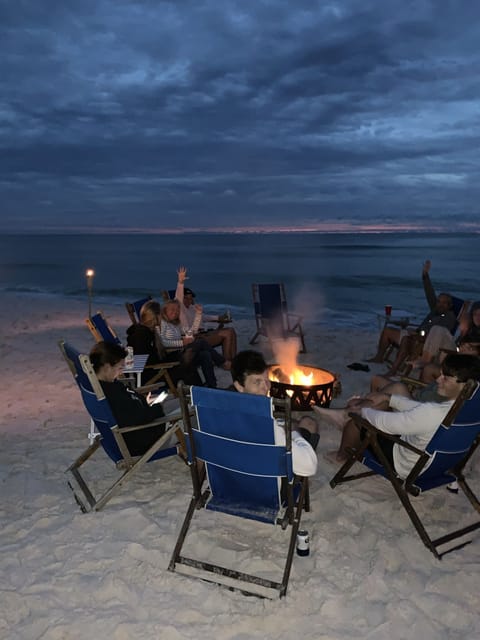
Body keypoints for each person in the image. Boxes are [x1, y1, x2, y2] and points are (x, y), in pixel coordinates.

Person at [314, 353, 480, 478]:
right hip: (439, 465)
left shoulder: (433, 412)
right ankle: (345, 415)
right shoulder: (468, 408)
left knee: (358, 422)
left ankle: (341, 455)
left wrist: (361, 412)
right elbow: (421, 410)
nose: (438, 380)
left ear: (465, 385)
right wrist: (389, 398)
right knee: (381, 403)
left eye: (446, 378)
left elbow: (388, 423)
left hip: (407, 464)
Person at [230, 350, 318, 477]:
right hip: (266, 486)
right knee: (309, 424)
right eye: (257, 382)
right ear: (239, 386)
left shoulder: (220, 415)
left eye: (267, 380)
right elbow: (310, 467)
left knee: (300, 422)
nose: (265, 387)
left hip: (232, 479)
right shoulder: (269, 427)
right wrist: (293, 433)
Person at [89, 341, 181, 457]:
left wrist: (142, 401)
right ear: (107, 366)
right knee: (195, 414)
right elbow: (138, 418)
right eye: (120, 367)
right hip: (147, 440)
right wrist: (156, 407)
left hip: (145, 423)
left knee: (183, 401)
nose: (122, 371)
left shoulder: (106, 385)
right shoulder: (111, 394)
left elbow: (131, 410)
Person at [368, 260, 457, 374]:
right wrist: (425, 275)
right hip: (415, 334)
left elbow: (437, 335)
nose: (439, 304)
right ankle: (379, 358)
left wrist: (417, 334)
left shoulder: (449, 317)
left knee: (406, 339)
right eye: (439, 301)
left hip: (424, 343)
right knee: (387, 331)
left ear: (450, 305)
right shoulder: (436, 310)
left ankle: (394, 370)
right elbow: (429, 293)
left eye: (444, 302)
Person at [126, 299, 202, 386]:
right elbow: (145, 360)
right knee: (186, 370)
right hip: (148, 377)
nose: (162, 318)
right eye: (161, 315)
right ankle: (202, 393)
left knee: (190, 363)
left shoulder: (149, 332)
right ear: (155, 316)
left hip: (153, 370)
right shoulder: (141, 335)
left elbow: (153, 356)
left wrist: (174, 357)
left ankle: (203, 391)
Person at [159, 298, 227, 388]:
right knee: (201, 342)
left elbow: (192, 332)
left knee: (205, 355)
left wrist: (198, 314)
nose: (175, 312)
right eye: (172, 309)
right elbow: (163, 343)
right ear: (165, 310)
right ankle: (222, 362)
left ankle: (212, 386)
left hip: (180, 354)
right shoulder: (162, 323)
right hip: (172, 358)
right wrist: (182, 343)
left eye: (177, 310)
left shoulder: (175, 324)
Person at [175, 266, 237, 362]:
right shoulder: (180, 309)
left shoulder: (192, 308)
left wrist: (219, 318)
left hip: (202, 334)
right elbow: (178, 298)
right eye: (185, 297)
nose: (188, 300)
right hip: (193, 339)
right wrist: (180, 282)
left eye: (190, 298)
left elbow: (204, 317)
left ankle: (233, 360)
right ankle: (228, 361)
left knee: (231, 330)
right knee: (227, 333)